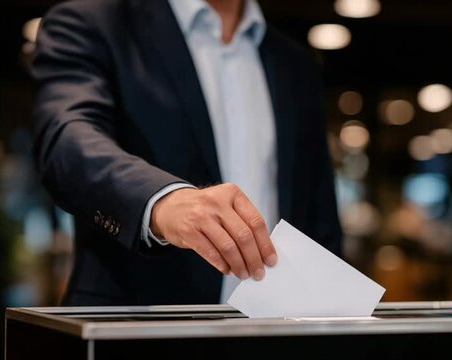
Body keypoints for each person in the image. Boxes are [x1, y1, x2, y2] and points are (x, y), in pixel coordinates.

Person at [31, 0, 342, 306]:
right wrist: (162, 201)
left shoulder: (293, 63)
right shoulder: (93, 22)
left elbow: (318, 217)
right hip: (137, 329)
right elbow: (67, 141)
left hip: (275, 332)